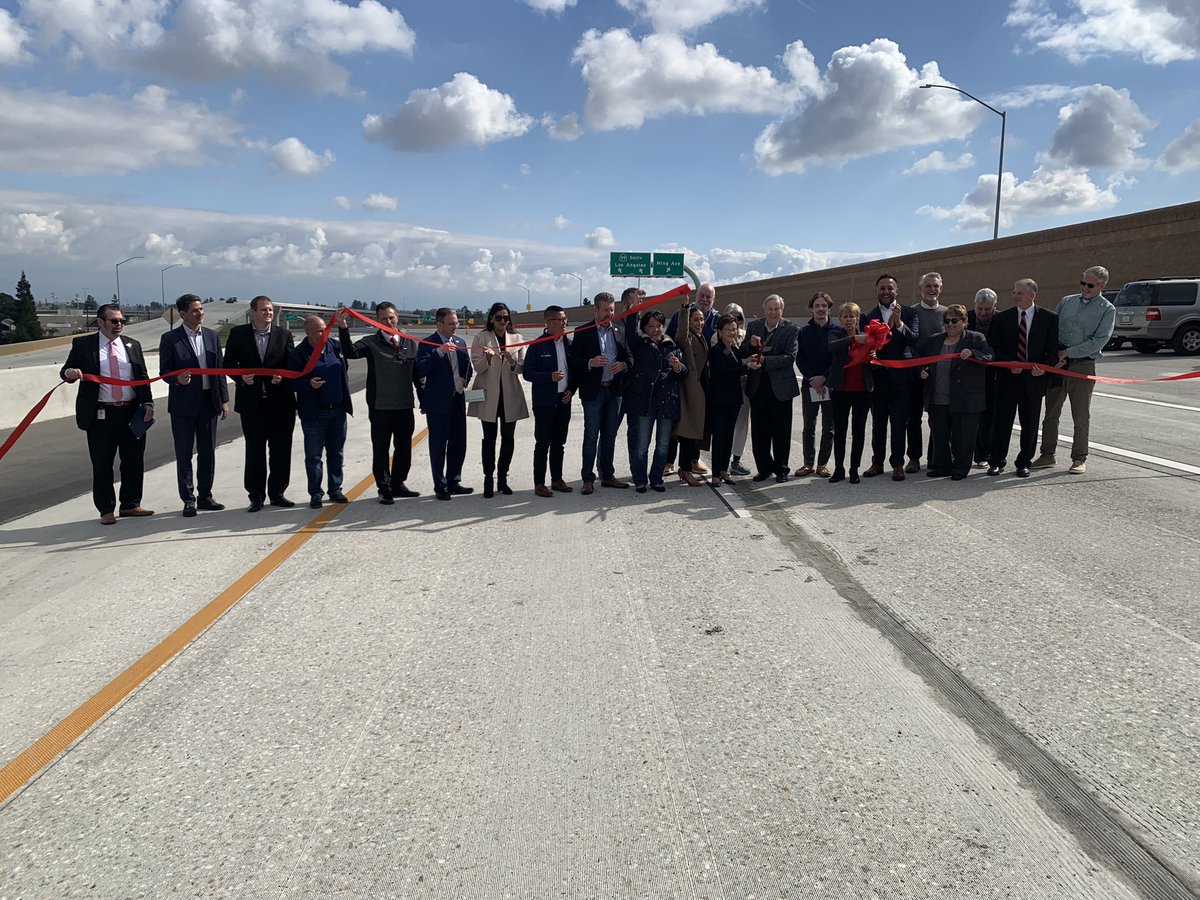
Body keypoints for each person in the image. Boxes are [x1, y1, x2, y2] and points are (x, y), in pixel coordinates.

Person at [60, 304, 155, 524]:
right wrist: (71, 373)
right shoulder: (84, 345)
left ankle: (131, 504)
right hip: (101, 414)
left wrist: (148, 403)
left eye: (122, 320)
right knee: (102, 464)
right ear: (101, 322)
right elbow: (66, 370)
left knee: (133, 461)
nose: (119, 324)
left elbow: (142, 375)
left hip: (131, 411)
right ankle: (106, 509)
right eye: (114, 321)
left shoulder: (132, 345)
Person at [1032, 265, 1117, 475]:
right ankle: (1047, 454)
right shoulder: (1066, 301)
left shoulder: (1107, 309)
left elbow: (1099, 340)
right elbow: (1054, 327)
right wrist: (1057, 354)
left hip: (1082, 365)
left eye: (1090, 285)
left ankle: (1079, 457)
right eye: (1083, 283)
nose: (1085, 288)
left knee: (1080, 415)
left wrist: (1069, 352)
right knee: (1051, 411)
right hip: (1058, 364)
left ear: (1102, 286)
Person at [339, 302, 421, 503]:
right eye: (384, 318)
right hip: (380, 406)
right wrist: (343, 329)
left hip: (404, 405)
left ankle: (398, 483)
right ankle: (383, 487)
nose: (388, 321)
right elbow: (350, 352)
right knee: (381, 448)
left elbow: (417, 374)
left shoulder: (410, 342)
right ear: (377, 320)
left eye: (391, 317)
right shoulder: (370, 342)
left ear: (397, 318)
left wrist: (423, 397)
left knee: (404, 447)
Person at [222, 294, 297, 511]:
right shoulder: (238, 334)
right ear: (252, 312)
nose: (269, 313)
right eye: (264, 310)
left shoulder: (284, 334)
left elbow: (291, 365)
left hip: (280, 402)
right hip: (251, 403)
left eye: (271, 310)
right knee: (254, 450)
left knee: (281, 450)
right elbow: (228, 364)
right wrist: (240, 377)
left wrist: (282, 377)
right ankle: (256, 495)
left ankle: (278, 492)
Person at [159, 293, 229, 517]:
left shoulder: (211, 336)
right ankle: (188, 499)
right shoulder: (170, 339)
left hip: (209, 402)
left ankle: (205, 496)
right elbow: (164, 371)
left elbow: (219, 371)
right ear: (182, 314)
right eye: (195, 310)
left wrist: (224, 400)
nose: (200, 313)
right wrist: (176, 379)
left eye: (201, 309)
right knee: (184, 453)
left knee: (207, 451)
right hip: (183, 406)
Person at [987, 279, 1060, 478]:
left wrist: (1044, 368)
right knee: (1002, 422)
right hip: (1008, 379)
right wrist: (1009, 363)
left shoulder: (1049, 318)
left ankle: (1023, 462)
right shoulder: (1003, 318)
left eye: (1019, 292)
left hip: (1033, 381)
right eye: (1014, 292)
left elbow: (1053, 351)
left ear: (1032, 295)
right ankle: (996, 462)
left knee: (1030, 424)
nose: (1015, 296)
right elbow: (994, 346)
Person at [916, 304, 993, 480]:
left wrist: (973, 353)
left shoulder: (975, 338)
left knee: (963, 435)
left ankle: (960, 467)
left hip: (965, 398)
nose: (950, 324)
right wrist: (922, 370)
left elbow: (989, 356)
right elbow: (923, 360)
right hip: (938, 397)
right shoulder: (935, 340)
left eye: (954, 320)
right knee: (940, 435)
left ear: (965, 322)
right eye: (946, 321)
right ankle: (943, 465)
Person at [569, 291, 631, 494]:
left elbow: (630, 357)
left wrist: (623, 365)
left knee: (610, 436)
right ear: (595, 310)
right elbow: (573, 362)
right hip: (593, 393)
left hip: (614, 391)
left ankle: (607, 475)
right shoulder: (583, 331)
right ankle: (588, 478)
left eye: (612, 310)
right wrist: (590, 362)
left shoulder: (619, 330)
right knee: (591, 436)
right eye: (605, 310)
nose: (609, 313)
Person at [289, 315, 352, 508]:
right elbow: (290, 381)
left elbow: (345, 366)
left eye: (325, 329)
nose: (324, 333)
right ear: (307, 332)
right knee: (314, 456)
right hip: (315, 413)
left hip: (338, 410)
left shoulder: (334, 346)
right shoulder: (299, 354)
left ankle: (335, 489)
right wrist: (308, 384)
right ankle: (316, 493)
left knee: (336, 453)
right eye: (318, 331)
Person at [862, 274, 919, 481]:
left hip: (901, 379)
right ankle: (877, 462)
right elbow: (864, 345)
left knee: (898, 423)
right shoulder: (867, 316)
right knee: (878, 423)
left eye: (890, 288)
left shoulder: (910, 313)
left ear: (897, 291)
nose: (886, 292)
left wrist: (900, 323)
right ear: (876, 291)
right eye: (882, 288)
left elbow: (913, 341)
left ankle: (897, 464)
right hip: (878, 379)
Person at [468, 302, 529, 498]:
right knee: (489, 439)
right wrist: (486, 359)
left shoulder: (517, 338)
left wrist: (513, 363)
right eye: (499, 318)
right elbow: (477, 368)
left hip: (510, 395)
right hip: (489, 396)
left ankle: (503, 478)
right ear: (491, 318)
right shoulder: (481, 337)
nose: (503, 321)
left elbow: (522, 368)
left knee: (508, 438)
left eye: (506, 317)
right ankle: (488, 478)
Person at [739, 294, 800, 483]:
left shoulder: (791, 329)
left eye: (777, 309)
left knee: (781, 431)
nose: (773, 312)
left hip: (781, 388)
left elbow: (790, 357)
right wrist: (749, 344)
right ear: (764, 310)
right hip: (758, 386)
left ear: (782, 310)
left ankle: (781, 469)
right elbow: (742, 351)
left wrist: (765, 361)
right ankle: (764, 468)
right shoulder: (754, 327)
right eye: (770, 309)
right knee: (759, 431)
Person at [625, 309, 687, 492]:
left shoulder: (671, 345)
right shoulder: (640, 344)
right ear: (644, 327)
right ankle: (640, 479)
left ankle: (657, 478)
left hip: (667, 403)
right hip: (646, 402)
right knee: (642, 445)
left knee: (662, 445)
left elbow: (685, 371)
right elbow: (630, 331)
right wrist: (634, 309)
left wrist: (678, 367)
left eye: (658, 326)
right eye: (650, 326)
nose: (655, 329)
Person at [416, 307, 474, 501]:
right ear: (439, 324)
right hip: (438, 404)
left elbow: (467, 366)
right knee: (439, 445)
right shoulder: (428, 343)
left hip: (457, 400)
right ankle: (440, 485)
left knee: (459, 443)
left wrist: (465, 380)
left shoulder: (459, 342)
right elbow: (421, 369)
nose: (455, 327)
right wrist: (438, 353)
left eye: (456, 323)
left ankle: (453, 481)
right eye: (450, 324)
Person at [523, 306, 574, 497]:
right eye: (559, 320)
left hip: (564, 400)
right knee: (543, 443)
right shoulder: (538, 345)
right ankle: (539, 483)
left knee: (559, 443)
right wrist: (548, 377)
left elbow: (574, 371)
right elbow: (527, 373)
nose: (563, 323)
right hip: (545, 402)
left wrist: (571, 390)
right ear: (548, 323)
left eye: (565, 319)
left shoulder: (569, 344)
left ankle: (557, 480)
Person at [826, 302, 873, 484]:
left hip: (862, 391)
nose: (848, 320)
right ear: (840, 319)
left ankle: (854, 469)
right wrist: (853, 340)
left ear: (857, 319)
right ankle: (839, 468)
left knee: (858, 431)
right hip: (841, 390)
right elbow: (832, 347)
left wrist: (872, 357)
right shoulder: (836, 334)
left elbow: (873, 359)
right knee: (840, 431)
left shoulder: (866, 336)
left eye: (852, 316)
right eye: (845, 316)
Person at [905, 272, 946, 473]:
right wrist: (919, 368)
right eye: (928, 286)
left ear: (941, 288)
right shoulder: (911, 313)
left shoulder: (948, 313)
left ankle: (935, 456)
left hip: (940, 374)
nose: (931, 290)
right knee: (913, 417)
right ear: (921, 289)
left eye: (935, 286)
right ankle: (913, 457)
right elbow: (909, 343)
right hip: (916, 373)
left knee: (938, 417)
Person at [794, 291, 835, 478]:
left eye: (824, 305)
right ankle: (808, 463)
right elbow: (800, 358)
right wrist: (812, 378)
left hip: (830, 385)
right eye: (817, 306)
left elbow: (838, 359)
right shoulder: (804, 332)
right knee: (809, 426)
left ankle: (822, 464)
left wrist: (824, 378)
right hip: (810, 385)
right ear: (811, 309)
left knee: (829, 426)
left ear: (828, 308)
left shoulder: (837, 331)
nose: (820, 309)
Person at [706, 313, 747, 484]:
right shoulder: (715, 351)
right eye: (728, 329)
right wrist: (745, 368)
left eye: (734, 329)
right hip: (719, 401)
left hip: (734, 400)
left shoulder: (735, 350)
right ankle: (715, 473)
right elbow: (723, 373)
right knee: (720, 436)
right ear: (720, 331)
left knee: (729, 435)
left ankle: (724, 469)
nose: (731, 332)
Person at [673, 299, 709, 486]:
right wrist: (685, 309)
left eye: (702, 320)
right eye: (696, 320)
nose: (699, 323)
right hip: (688, 391)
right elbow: (680, 332)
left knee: (693, 432)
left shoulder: (700, 336)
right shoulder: (686, 338)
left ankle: (686, 467)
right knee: (687, 432)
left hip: (700, 390)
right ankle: (685, 470)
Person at [718, 302, 751, 476]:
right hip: (724, 389)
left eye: (738, 317)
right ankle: (720, 464)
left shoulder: (745, 335)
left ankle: (736, 461)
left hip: (743, 387)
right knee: (724, 426)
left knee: (741, 425)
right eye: (731, 316)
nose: (735, 320)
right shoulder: (717, 337)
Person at [967, 288, 999, 467]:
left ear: (995, 306)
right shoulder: (967, 319)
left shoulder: (1001, 320)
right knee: (967, 416)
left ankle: (982, 455)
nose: (983, 313)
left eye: (988, 309)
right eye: (980, 309)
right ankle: (962, 452)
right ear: (975, 305)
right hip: (969, 375)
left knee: (988, 416)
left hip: (992, 376)